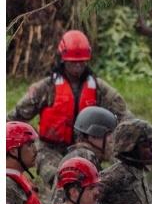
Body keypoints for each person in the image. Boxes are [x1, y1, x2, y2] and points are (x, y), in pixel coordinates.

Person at [8, 30, 129, 186]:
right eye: (73, 62)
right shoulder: (46, 88)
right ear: (64, 60)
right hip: (49, 150)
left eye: (82, 62)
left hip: (86, 148)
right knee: (60, 178)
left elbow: (125, 115)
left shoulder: (99, 88)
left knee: (93, 180)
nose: (78, 67)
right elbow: (15, 116)